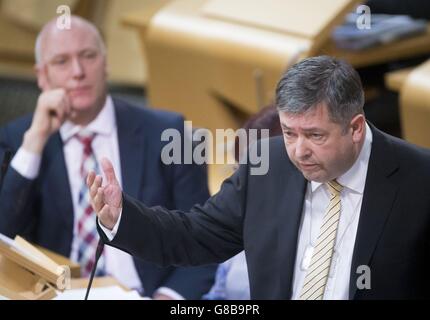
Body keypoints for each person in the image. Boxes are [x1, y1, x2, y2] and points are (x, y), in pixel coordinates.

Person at [88, 56, 430, 299]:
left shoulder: (419, 180)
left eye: (314, 135)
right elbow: (194, 236)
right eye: (289, 132)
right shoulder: (267, 162)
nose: (298, 151)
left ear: (355, 128)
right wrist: (122, 217)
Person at [0, 16, 215, 300]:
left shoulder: (169, 132)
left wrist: (166, 298)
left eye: (88, 56)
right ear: (42, 75)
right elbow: (4, 238)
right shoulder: (18, 139)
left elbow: (204, 240)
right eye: (61, 61)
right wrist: (34, 142)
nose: (78, 71)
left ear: (106, 63)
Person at [204, 105, 282, 300]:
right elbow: (218, 295)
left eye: (252, 175)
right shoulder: (240, 221)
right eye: (236, 171)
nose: (240, 186)